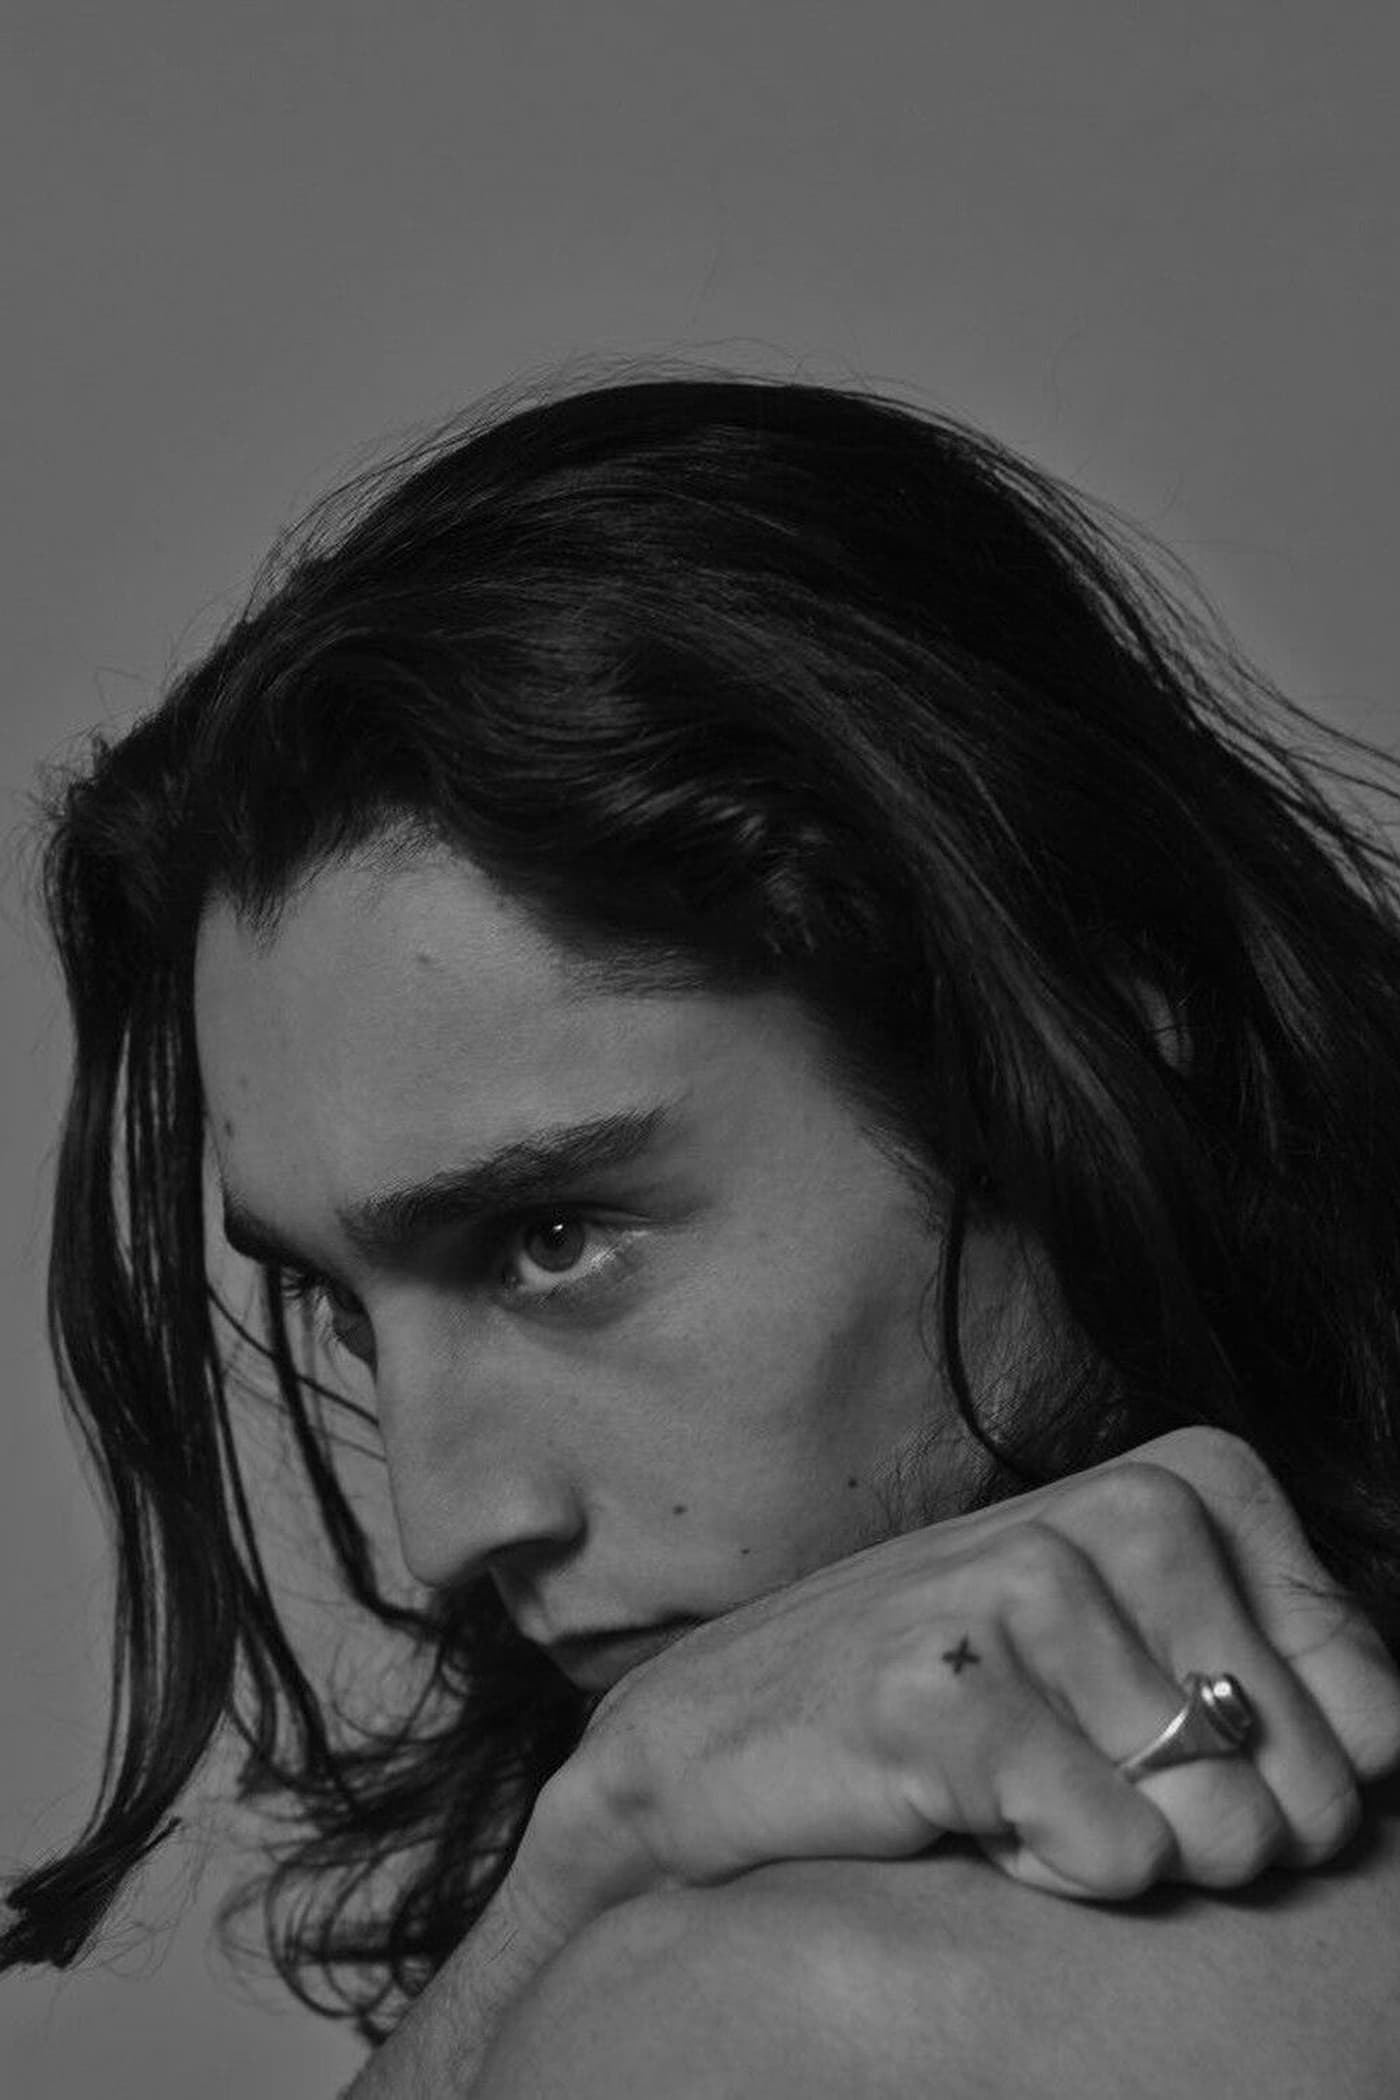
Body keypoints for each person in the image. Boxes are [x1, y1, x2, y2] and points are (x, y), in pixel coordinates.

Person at [6, 367, 1400, 2097]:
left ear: (1088, 1047)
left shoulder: (784, 2013)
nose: (447, 1524)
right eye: (346, 1312)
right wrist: (590, 1847)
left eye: (552, 1237)